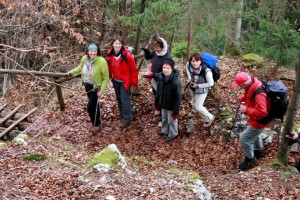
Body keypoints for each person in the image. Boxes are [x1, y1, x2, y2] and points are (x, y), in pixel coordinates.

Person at [232, 72, 270, 170]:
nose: (239, 86)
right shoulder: (253, 83)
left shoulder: (259, 93)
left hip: (260, 120)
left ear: (244, 83)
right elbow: (250, 95)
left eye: (239, 85)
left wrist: (246, 110)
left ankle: (250, 158)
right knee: (255, 134)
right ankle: (258, 151)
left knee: (244, 139)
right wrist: (243, 97)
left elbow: (262, 112)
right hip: (256, 119)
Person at [68, 43, 109, 134]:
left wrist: (101, 90)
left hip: (96, 87)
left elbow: (106, 77)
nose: (93, 53)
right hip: (87, 85)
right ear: (88, 51)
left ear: (97, 51)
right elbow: (80, 67)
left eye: (94, 51)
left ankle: (96, 124)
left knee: (90, 107)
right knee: (94, 104)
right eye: (91, 51)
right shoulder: (84, 58)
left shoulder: (102, 61)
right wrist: (71, 72)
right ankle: (97, 119)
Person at [106, 36, 138, 128]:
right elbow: (109, 66)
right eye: (116, 43)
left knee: (124, 99)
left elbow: (134, 70)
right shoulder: (110, 54)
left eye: (119, 43)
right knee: (119, 97)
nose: (117, 45)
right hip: (115, 80)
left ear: (122, 45)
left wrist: (134, 83)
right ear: (112, 44)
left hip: (125, 81)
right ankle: (122, 112)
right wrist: (108, 77)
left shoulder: (127, 55)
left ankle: (128, 118)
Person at [141, 36, 172, 126]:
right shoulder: (155, 52)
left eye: (157, 48)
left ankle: (162, 120)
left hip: (162, 80)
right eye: (155, 47)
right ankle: (158, 109)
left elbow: (166, 72)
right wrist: (146, 51)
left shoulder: (167, 56)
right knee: (156, 96)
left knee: (162, 99)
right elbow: (148, 57)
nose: (155, 49)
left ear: (163, 47)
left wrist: (153, 75)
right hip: (154, 79)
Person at [155, 58, 182, 142]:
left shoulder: (175, 82)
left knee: (172, 120)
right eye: (164, 68)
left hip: (171, 105)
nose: (165, 70)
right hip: (163, 103)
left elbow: (178, 98)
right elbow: (158, 91)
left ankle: (173, 133)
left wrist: (176, 111)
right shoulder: (161, 79)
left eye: (168, 68)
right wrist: (156, 101)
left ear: (172, 69)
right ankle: (165, 130)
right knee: (164, 118)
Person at [186, 53, 215, 127]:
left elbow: (211, 83)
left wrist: (198, 86)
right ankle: (194, 111)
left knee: (198, 106)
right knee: (194, 101)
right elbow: (187, 69)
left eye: (197, 61)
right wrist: (189, 77)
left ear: (200, 61)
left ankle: (209, 118)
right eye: (193, 61)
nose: (195, 63)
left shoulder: (206, 71)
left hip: (202, 90)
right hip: (192, 87)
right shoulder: (189, 65)